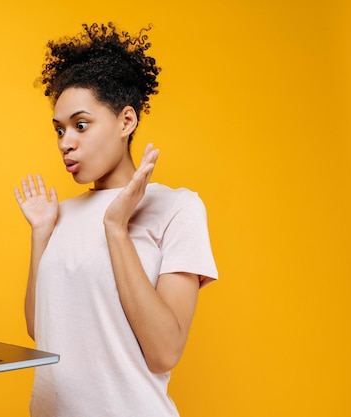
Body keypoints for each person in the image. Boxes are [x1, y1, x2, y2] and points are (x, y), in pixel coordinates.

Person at [14, 22, 218, 417]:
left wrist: (116, 228)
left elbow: (164, 352)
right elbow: (41, 330)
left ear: (126, 122)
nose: (65, 142)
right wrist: (41, 233)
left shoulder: (177, 207)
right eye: (59, 130)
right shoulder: (62, 214)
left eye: (81, 124)